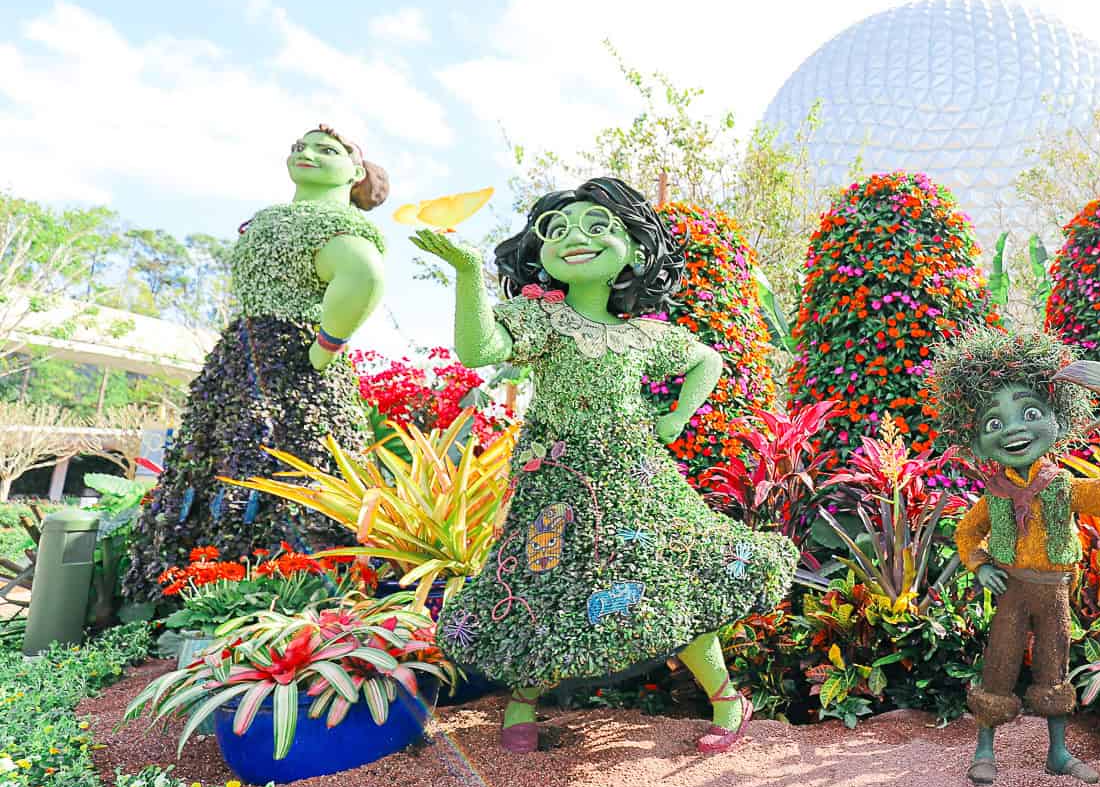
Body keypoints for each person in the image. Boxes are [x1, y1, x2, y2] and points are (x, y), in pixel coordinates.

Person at [414, 178, 796, 754]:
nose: (575, 238)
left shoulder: (644, 334)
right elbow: (478, 350)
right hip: (556, 483)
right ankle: (522, 702)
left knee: (673, 582)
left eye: (598, 226)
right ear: (540, 252)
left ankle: (725, 698)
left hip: (637, 481)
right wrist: (468, 273)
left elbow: (707, 361)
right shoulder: (542, 320)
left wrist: (673, 420)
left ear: (636, 252)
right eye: (557, 230)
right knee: (543, 585)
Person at [127, 126, 388, 599]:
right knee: (217, 453)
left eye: (325, 150)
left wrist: (325, 347)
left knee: (293, 461)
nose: (306, 153)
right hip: (238, 356)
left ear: (354, 172)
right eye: (300, 147)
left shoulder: (342, 226)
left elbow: (363, 273)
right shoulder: (270, 218)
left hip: (296, 361)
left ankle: (294, 585)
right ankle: (201, 581)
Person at [930, 326, 1100, 786]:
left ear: (1056, 419)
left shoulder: (1061, 485)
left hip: (1053, 590)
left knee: (1055, 668)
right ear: (976, 444)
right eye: (994, 424)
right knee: (999, 664)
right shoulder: (993, 495)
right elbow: (964, 531)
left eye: (1029, 413)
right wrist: (980, 564)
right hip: (1013, 589)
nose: (1014, 430)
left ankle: (1058, 752)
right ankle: (984, 749)